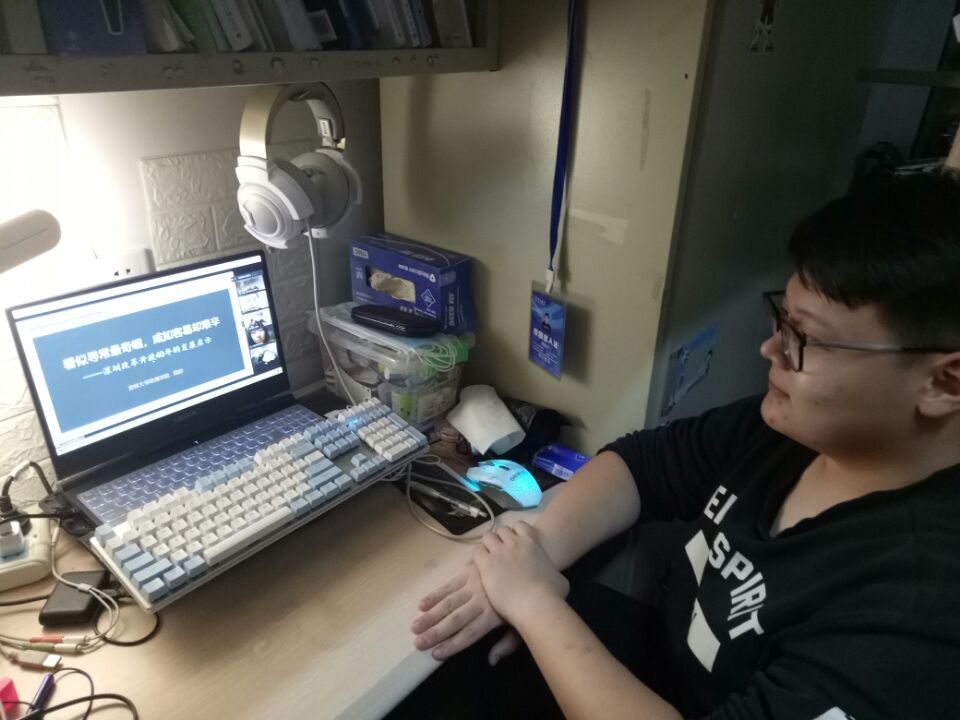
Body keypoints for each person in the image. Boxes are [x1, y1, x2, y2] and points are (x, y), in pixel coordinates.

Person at [392, 171, 960, 719]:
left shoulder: (921, 613)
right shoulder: (794, 433)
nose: (770, 349)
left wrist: (534, 604)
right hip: (651, 664)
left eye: (805, 338)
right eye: (782, 320)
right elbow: (642, 465)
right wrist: (534, 557)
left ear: (944, 383)